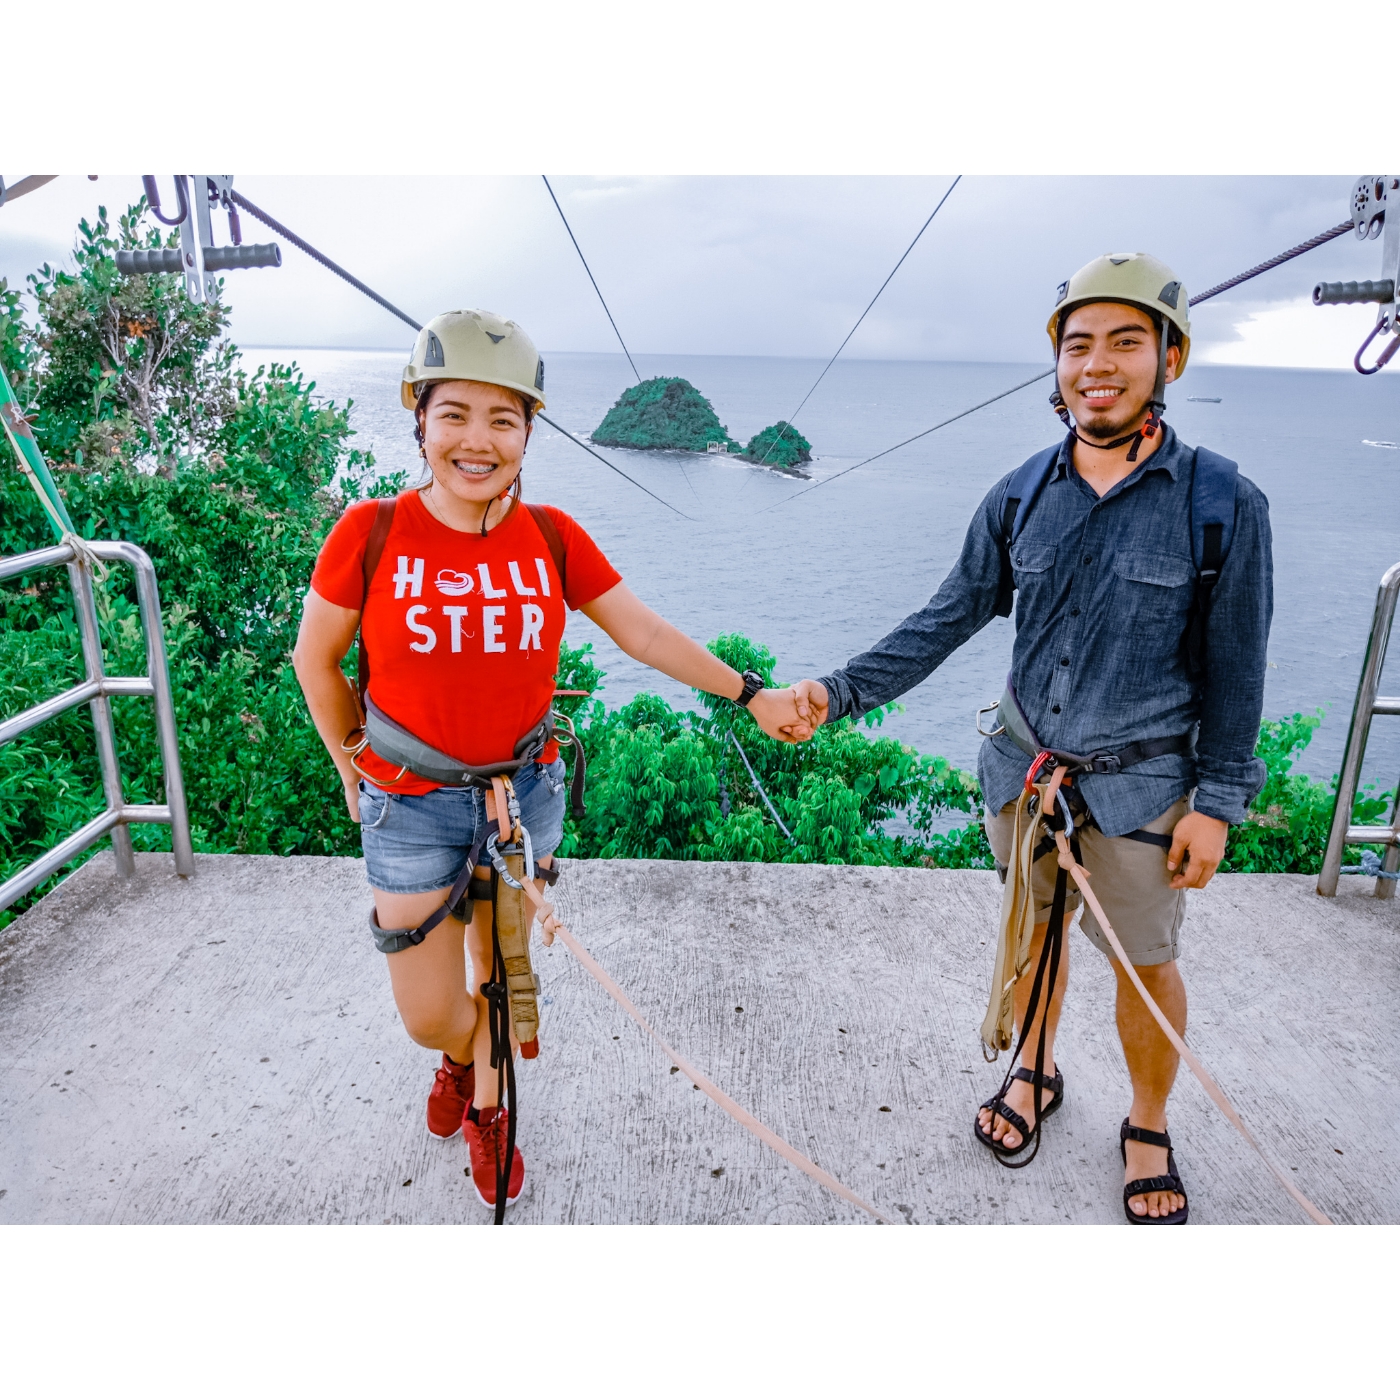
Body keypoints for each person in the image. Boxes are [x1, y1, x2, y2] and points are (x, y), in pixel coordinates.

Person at [782, 255, 1273, 1224]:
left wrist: (1217, 803)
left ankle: (1146, 1120)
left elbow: (1238, 668)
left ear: (1169, 358)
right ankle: (1035, 1066)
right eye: (1077, 345)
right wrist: (835, 694)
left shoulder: (1221, 504)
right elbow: (945, 617)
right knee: (1032, 933)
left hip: (1142, 788)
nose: (1097, 364)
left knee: (1143, 964)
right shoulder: (1019, 494)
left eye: (1124, 342)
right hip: (1023, 771)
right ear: (1056, 365)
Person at [294, 309, 803, 1211]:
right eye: (455, 414)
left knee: (500, 977)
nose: (477, 440)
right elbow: (316, 659)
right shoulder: (371, 531)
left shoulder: (553, 537)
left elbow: (644, 633)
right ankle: (460, 1060)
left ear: (529, 431)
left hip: (521, 797)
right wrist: (349, 767)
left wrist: (749, 693)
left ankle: (491, 1108)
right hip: (408, 801)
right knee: (429, 1015)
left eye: (503, 419)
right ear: (420, 419)